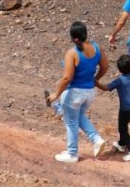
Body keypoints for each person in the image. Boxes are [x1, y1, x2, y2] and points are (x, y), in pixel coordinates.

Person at [46, 21, 108, 163]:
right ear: (85, 33)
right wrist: (95, 79)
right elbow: (105, 67)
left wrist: (56, 94)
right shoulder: (97, 48)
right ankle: (97, 139)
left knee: (71, 122)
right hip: (89, 93)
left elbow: (67, 77)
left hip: (74, 94)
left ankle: (72, 153)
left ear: (72, 37)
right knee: (78, 117)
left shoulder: (72, 53)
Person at [96, 54, 130, 161]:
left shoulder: (119, 81)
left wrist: (96, 83)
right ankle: (121, 144)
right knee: (123, 126)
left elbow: (105, 88)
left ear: (119, 69)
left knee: (122, 129)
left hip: (125, 110)